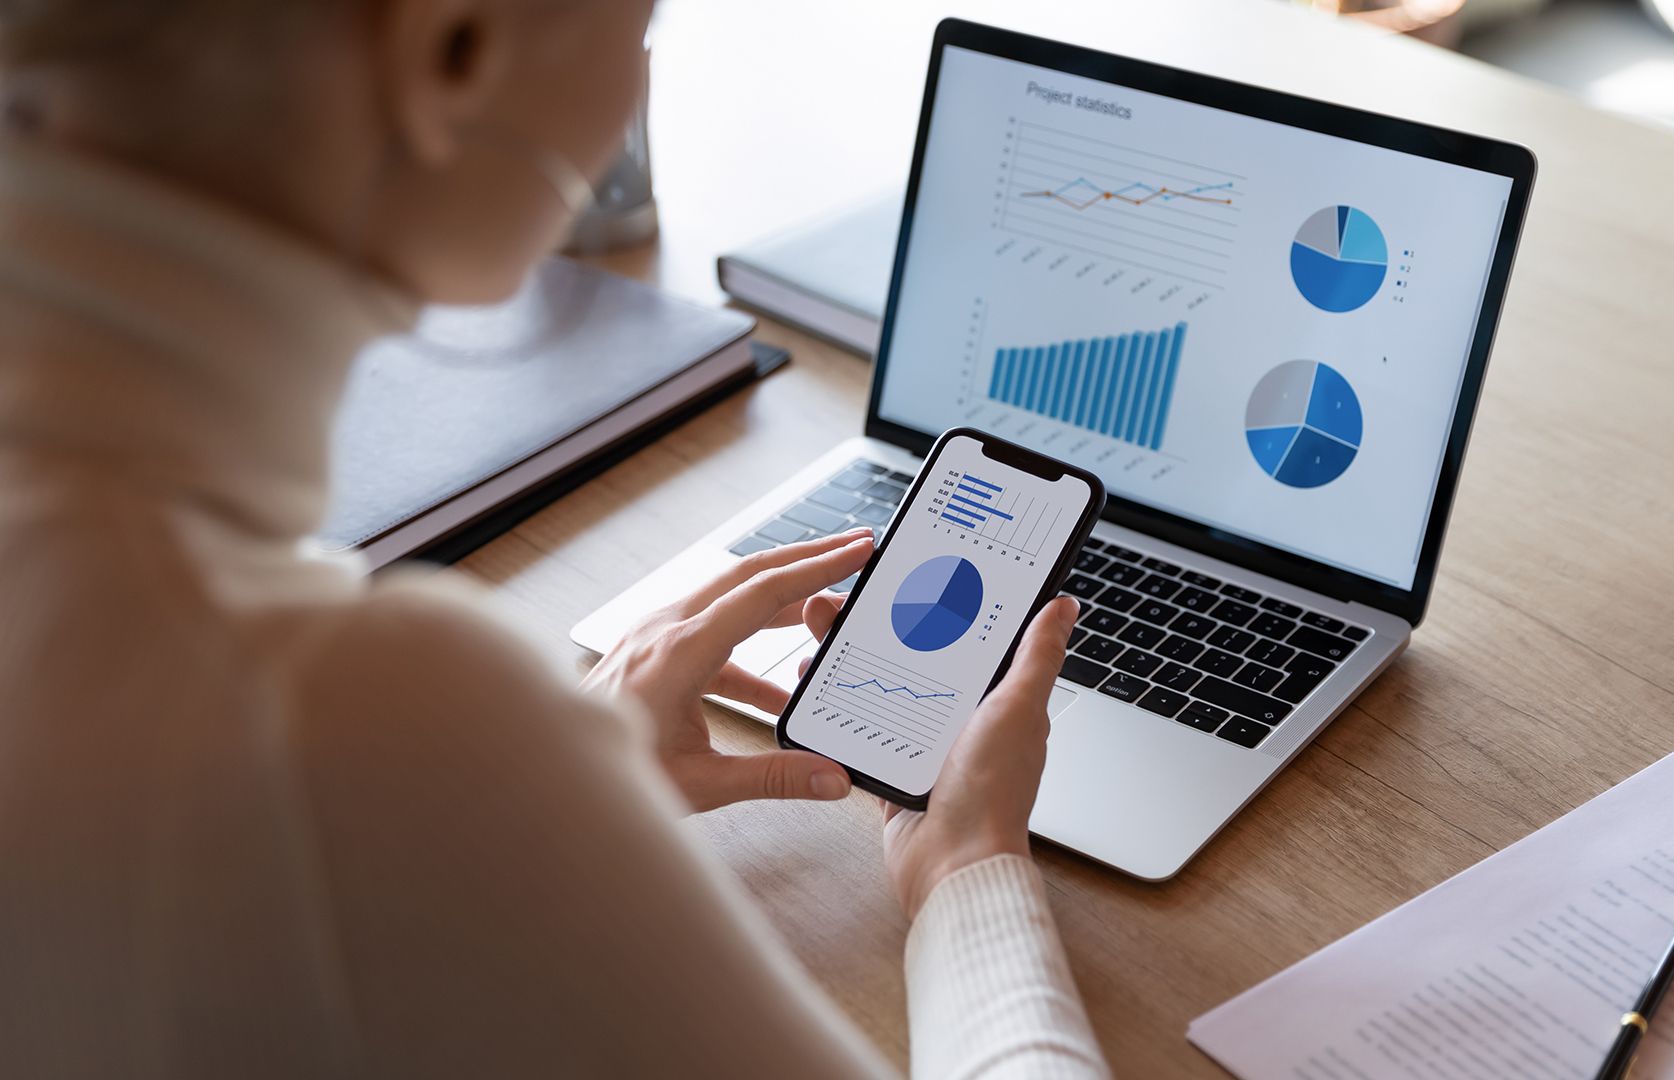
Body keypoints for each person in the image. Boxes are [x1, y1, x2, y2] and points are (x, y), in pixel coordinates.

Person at [0, 2, 1110, 1077]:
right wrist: (967, 870)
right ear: (451, 48)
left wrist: (524, 817)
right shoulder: (328, 710)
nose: (636, 89)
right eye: (643, 29)